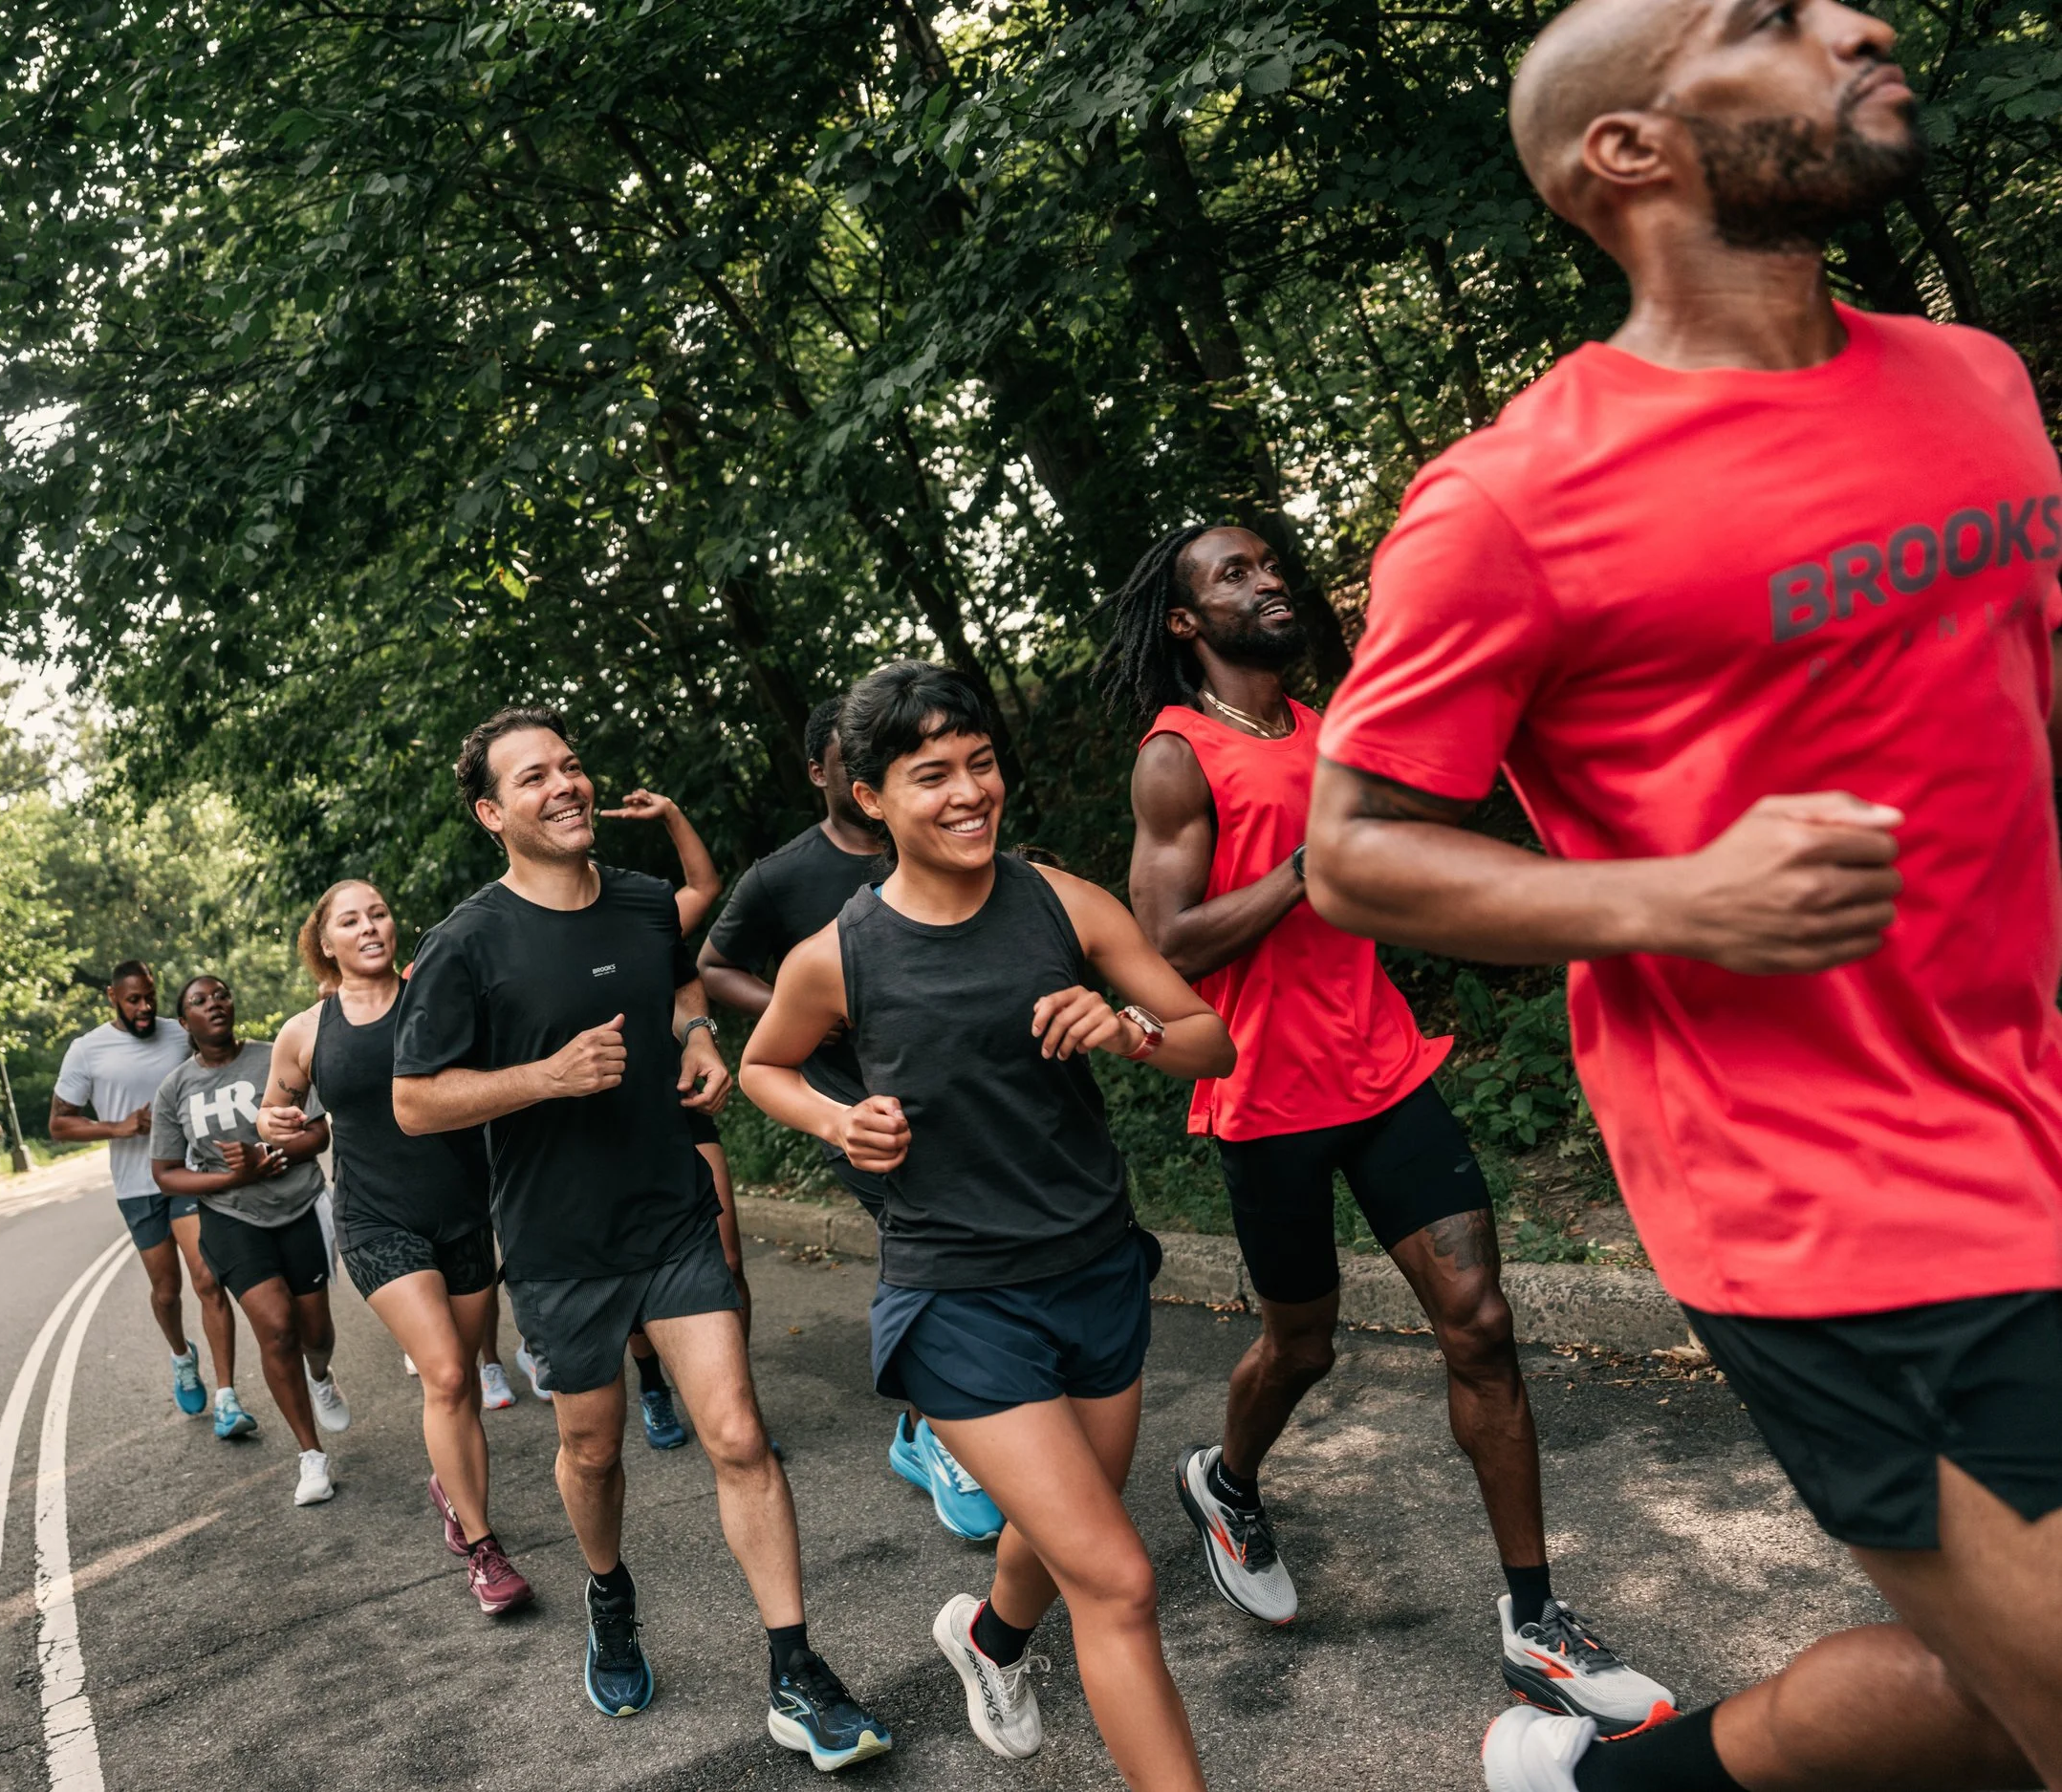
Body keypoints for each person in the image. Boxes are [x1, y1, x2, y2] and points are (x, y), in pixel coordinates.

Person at [1301, 4, 2062, 1789]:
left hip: (2035, 1095)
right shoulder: (1511, 503)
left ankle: (1604, 1782)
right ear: (1627, 154)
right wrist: (1679, 898)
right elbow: (1355, 850)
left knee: (1990, 1700)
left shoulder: (1976, 380)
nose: (1856, 24)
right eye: (1769, 24)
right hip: (1830, 1194)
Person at [1104, 524, 1671, 1732]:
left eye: (1267, 565)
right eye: (1232, 577)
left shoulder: (1328, 728)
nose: (1265, 582)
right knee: (1301, 1345)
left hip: (1384, 1069)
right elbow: (1164, 947)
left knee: (1481, 1324)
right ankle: (1227, 1480)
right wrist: (1311, 868)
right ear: (1187, 625)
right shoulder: (1176, 756)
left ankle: (1534, 1622)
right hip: (1265, 1098)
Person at [741, 661, 1234, 1787]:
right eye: (931, 776)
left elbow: (1210, 1040)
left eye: (980, 765)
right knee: (1116, 1579)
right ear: (869, 797)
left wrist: (1128, 1033)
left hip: (1096, 1267)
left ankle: (989, 1638)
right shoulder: (839, 956)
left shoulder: (1064, 903)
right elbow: (761, 1067)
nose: (969, 793)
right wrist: (835, 1120)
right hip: (958, 1298)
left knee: (1069, 1534)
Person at [390, 705, 892, 1770]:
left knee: (740, 1436)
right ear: (492, 812)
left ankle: (796, 1669)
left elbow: (673, 985)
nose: (565, 786)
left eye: (570, 766)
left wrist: (701, 1035)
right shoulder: (464, 943)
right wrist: (542, 1078)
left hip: (668, 1215)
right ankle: (610, 1597)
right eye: (533, 778)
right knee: (591, 1449)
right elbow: (413, 1103)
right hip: (558, 1245)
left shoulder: (639, 902)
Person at [700, 701, 1002, 1542]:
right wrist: (801, 1008)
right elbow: (715, 965)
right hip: (863, 1112)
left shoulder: (946, 840)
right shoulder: (781, 878)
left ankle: (958, 1419)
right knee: (928, 1263)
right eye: (850, 758)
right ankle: (940, 1429)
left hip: (972, 1097)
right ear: (831, 778)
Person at [261, 881, 532, 1613]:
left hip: (465, 1211)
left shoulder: (436, 997)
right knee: (445, 1373)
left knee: (467, 1386)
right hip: (376, 1220)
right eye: (349, 919)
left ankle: (451, 1487)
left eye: (377, 912)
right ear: (326, 941)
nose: (369, 926)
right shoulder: (306, 1031)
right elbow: (275, 1104)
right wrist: (274, 1127)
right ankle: (483, 1550)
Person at [151, 975, 353, 1506]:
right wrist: (229, 1181)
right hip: (230, 1216)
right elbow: (166, 1173)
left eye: (220, 994)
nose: (214, 1004)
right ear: (185, 1021)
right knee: (277, 1328)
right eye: (199, 1000)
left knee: (315, 1330)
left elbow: (318, 1133)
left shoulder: (274, 1055)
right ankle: (311, 1457)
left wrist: (271, 1159)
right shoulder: (175, 1088)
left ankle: (321, 1374)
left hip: (298, 1205)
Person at [598, 788, 735, 1454]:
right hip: (603, 1126)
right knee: (632, 1273)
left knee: (727, 1256)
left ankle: (734, 1412)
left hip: (676, 1102)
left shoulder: (644, 917)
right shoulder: (534, 939)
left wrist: (674, 814)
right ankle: (652, 1380)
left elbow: (703, 885)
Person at [50, 961, 236, 1426]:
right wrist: (122, 1126)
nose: (144, 1007)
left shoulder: (179, 1033)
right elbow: (59, 1123)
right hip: (137, 1186)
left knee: (208, 1279)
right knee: (167, 1292)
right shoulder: (87, 1050)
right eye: (133, 999)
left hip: (187, 1174)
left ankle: (229, 1396)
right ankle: (181, 1355)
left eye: (150, 997)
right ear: (113, 997)